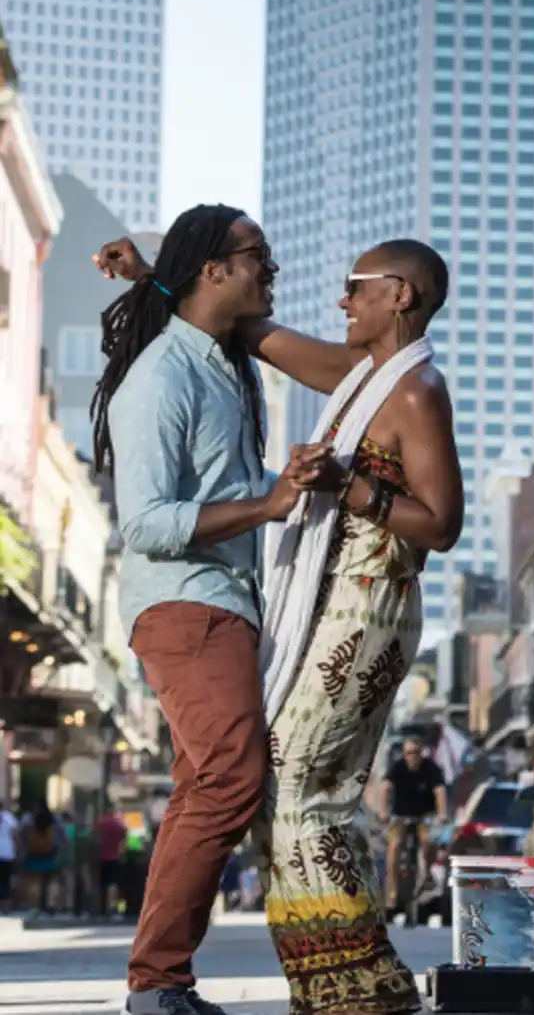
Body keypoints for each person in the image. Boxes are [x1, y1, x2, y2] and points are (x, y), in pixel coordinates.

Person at [99, 232, 463, 1015]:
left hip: (364, 612)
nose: (340, 300)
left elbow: (442, 524)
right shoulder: (361, 379)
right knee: (273, 786)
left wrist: (344, 488)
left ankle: (351, 983)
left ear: (399, 295)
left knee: (291, 788)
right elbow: (243, 327)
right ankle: (325, 982)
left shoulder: (412, 387)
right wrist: (155, 282)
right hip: (294, 606)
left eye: (356, 286)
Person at [91, 207, 325, 1015]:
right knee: (231, 777)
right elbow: (147, 521)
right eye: (258, 256)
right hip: (185, 604)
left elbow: (228, 484)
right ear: (214, 271)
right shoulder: (160, 376)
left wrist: (280, 484)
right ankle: (155, 982)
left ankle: (161, 982)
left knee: (205, 785)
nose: (272, 271)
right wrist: (267, 507)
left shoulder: (230, 367)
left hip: (226, 602)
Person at [381, 737, 451, 914]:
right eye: (408, 753)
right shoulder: (397, 767)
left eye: (415, 753)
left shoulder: (431, 768)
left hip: (425, 817)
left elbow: (440, 791)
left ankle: (426, 874)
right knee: (394, 846)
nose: (412, 757)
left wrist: (442, 814)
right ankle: (393, 889)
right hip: (400, 816)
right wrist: (383, 812)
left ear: (422, 753)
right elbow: (385, 787)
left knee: (429, 841)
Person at [96, 803, 128, 918]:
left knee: (103, 884)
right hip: (115, 857)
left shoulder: (102, 823)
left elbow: (95, 836)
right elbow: (124, 842)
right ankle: (112, 907)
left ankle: (102, 908)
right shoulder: (120, 825)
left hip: (102, 857)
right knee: (113, 884)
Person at [0, 799, 17, 913]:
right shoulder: (8, 817)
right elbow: (15, 834)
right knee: (5, 881)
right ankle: (5, 908)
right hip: (7, 852)